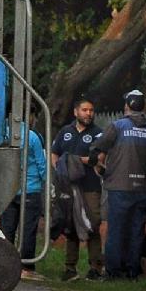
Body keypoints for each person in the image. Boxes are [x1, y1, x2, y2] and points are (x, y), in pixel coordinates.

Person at [92, 89, 146, 281]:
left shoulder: (117, 127)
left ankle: (113, 272)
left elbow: (97, 149)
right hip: (142, 189)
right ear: (143, 106)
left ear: (127, 105)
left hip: (119, 187)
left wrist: (99, 167)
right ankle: (133, 272)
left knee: (116, 231)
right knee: (136, 231)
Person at [50, 98, 105, 279]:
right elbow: (55, 153)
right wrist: (60, 169)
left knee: (93, 224)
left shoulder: (98, 133)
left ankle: (95, 269)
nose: (88, 113)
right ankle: (70, 269)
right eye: (84, 110)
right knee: (70, 225)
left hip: (90, 186)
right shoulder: (65, 131)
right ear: (76, 112)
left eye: (91, 110)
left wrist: (72, 159)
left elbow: (97, 158)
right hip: (68, 187)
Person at [0, 125, 47, 278]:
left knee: (7, 229)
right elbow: (41, 165)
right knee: (28, 231)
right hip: (30, 190)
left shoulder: (1, 134)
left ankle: (5, 266)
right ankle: (26, 267)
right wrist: (49, 184)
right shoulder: (32, 136)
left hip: (8, 189)